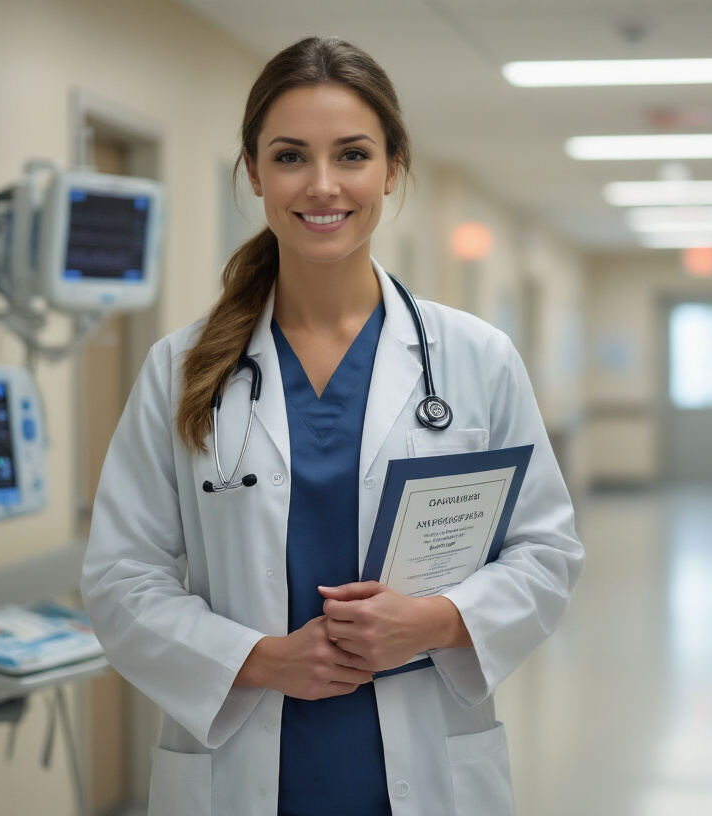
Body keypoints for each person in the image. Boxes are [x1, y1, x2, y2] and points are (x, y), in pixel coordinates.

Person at [81, 35, 583, 816]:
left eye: (351, 155)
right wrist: (259, 659)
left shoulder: (476, 359)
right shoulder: (181, 368)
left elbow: (546, 552)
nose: (322, 186)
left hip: (425, 764)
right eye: (290, 157)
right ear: (253, 172)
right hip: (243, 766)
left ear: (391, 168)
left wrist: (437, 620)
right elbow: (120, 579)